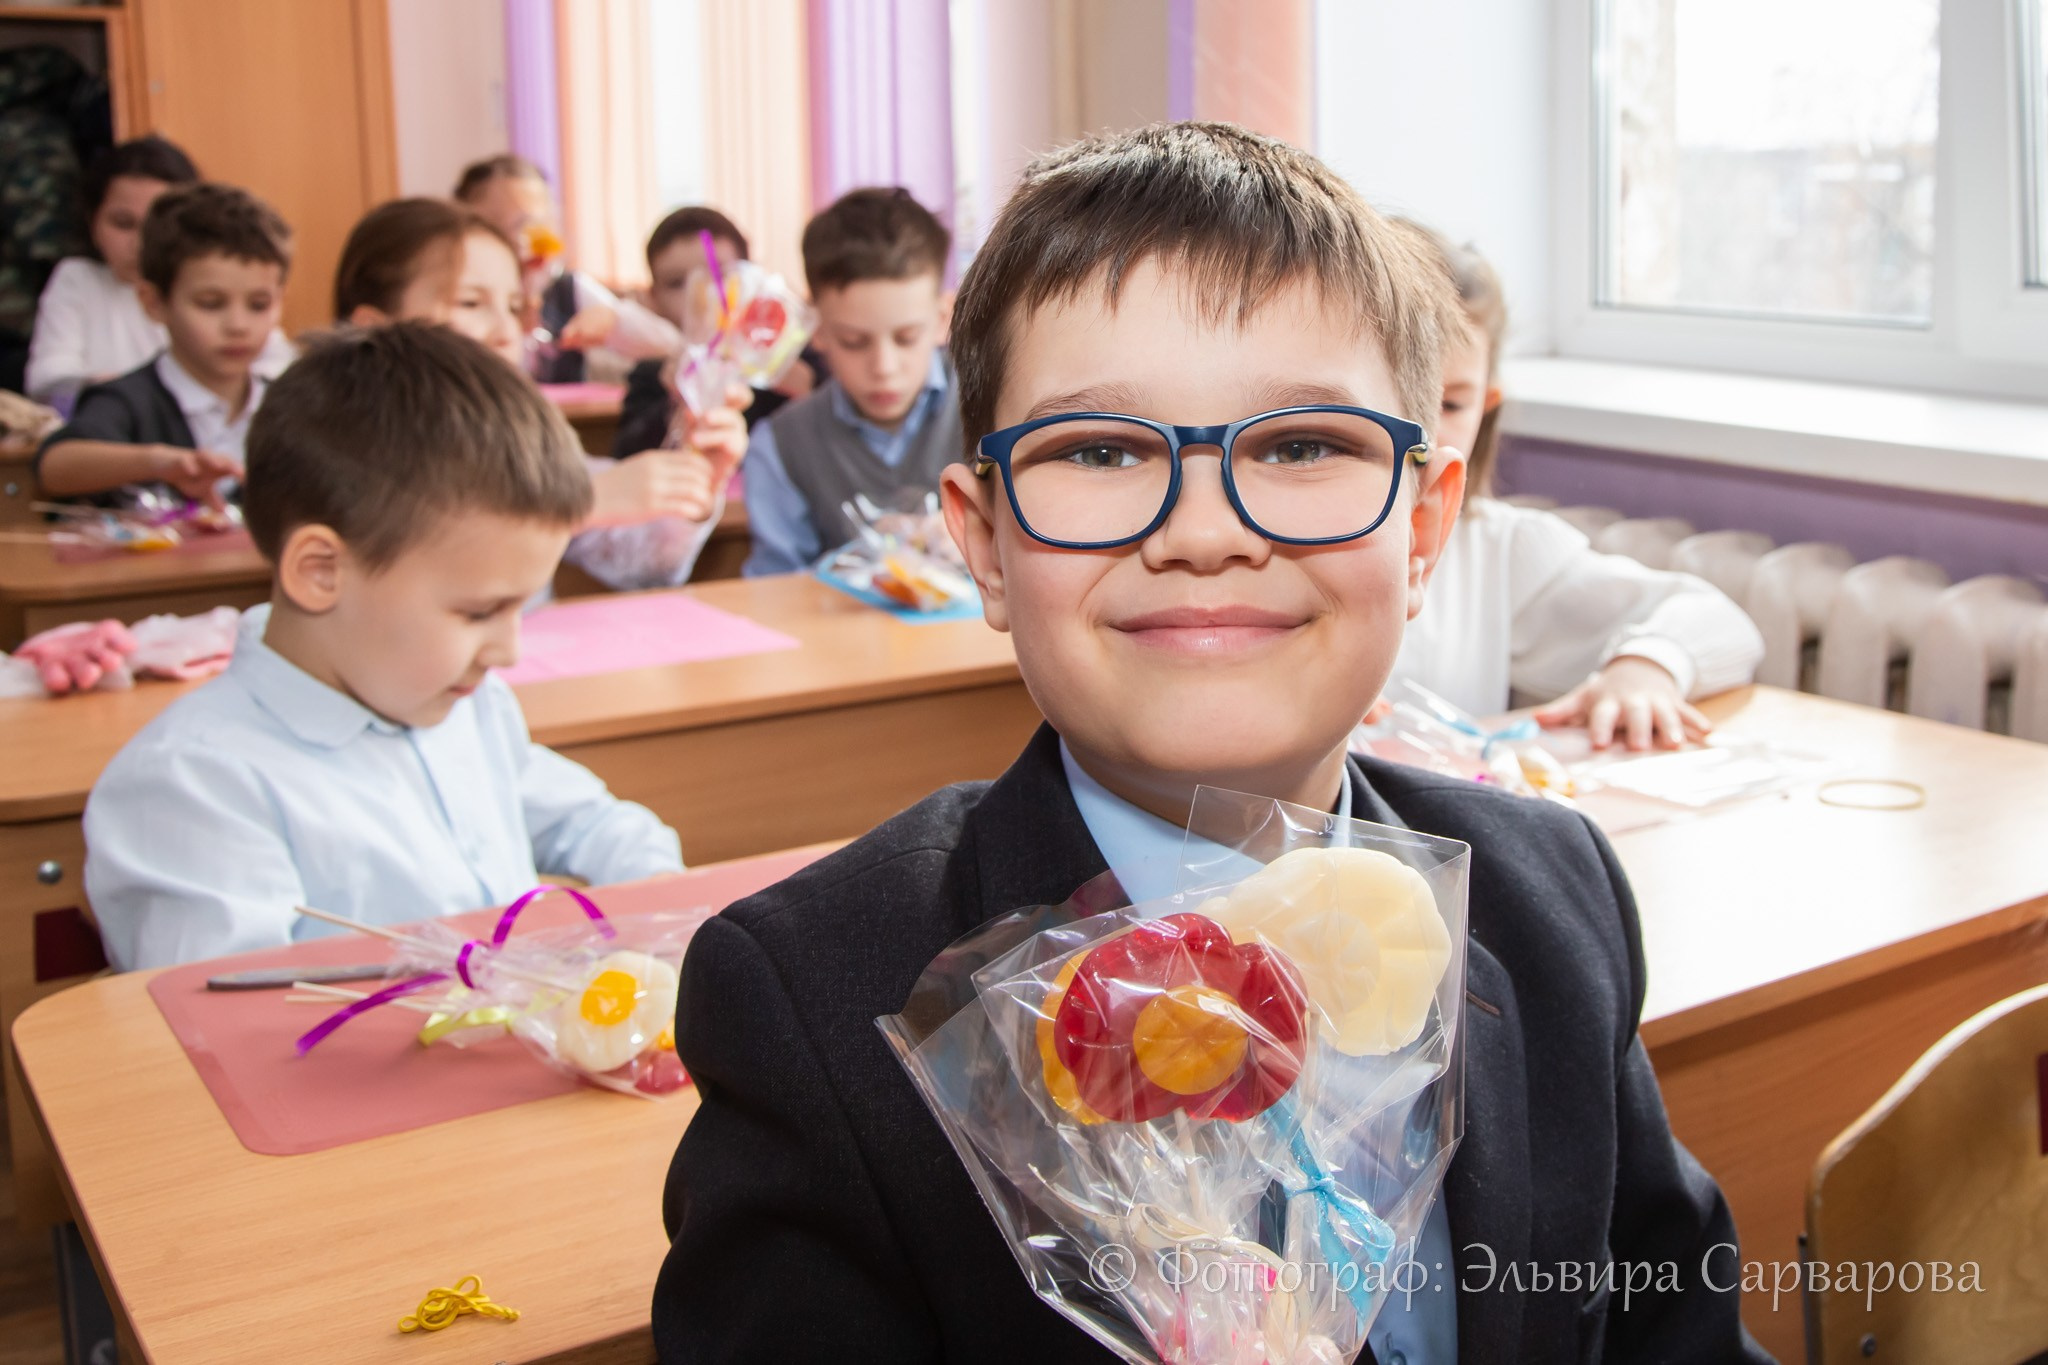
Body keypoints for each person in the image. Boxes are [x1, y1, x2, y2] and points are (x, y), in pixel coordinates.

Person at [653, 122, 1768, 1363]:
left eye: (1300, 446)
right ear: (982, 545)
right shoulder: (813, 1005)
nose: (1201, 530)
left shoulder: (1551, 900)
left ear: (1423, 526)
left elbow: (1675, 1335)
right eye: (1099, 450)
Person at [83, 323, 684, 970]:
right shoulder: (192, 786)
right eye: (481, 610)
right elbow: (226, 1041)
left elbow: (595, 825)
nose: (507, 650)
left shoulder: (469, 706)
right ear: (320, 572)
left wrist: (658, 908)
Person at [1389, 223, 1764, 748]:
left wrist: (1645, 666)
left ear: (1486, 409)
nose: (1425, 429)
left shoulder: (1503, 548)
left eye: (1451, 404)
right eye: (1400, 399)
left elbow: (1722, 624)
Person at [332, 197, 747, 592]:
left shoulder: (521, 436)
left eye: (514, 307)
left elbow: (644, 566)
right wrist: (574, 506)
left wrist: (694, 480)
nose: (504, 331)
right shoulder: (342, 445)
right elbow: (417, 564)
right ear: (373, 326)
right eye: (471, 302)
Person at [740, 188, 960, 576]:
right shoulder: (780, 447)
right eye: (853, 342)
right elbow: (774, 593)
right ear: (817, 328)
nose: (884, 367)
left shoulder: (997, 407)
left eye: (907, 338)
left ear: (943, 318)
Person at [35, 182, 290, 506]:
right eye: (210, 304)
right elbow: (53, 466)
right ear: (153, 302)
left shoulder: (290, 406)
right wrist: (158, 463)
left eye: (259, 304)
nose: (238, 326)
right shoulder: (127, 401)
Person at [453, 153, 679, 382]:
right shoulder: (455, 293)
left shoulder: (565, 288)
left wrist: (614, 319)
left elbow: (671, 344)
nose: (532, 239)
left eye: (541, 224)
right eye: (518, 225)